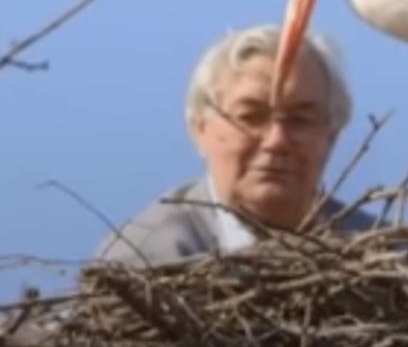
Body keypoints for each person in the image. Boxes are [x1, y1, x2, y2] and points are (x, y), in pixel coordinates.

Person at [93, 23, 384, 268]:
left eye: (300, 119)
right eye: (251, 117)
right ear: (200, 129)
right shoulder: (144, 261)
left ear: (331, 136)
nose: (277, 141)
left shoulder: (383, 257)